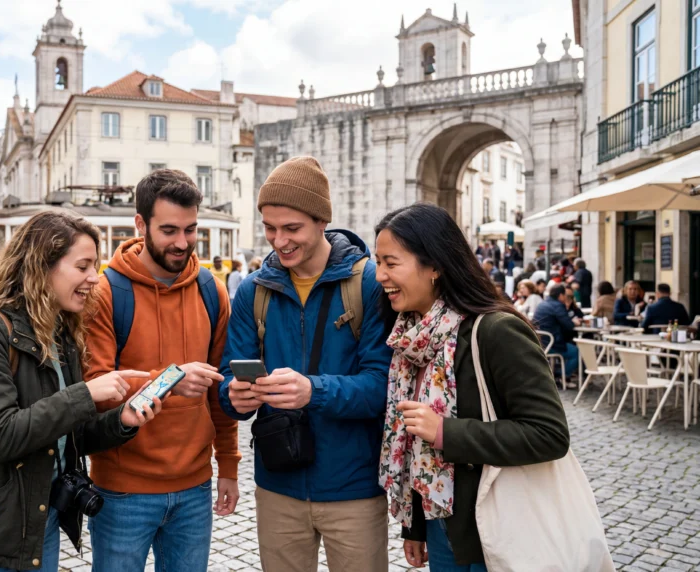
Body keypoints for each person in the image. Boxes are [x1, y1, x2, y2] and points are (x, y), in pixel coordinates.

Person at [0, 210, 163, 572]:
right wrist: (86, 394)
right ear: (42, 266)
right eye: (82, 266)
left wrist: (122, 420)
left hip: (39, 522)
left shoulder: (59, 332)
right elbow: (2, 435)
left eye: (94, 267)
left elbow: (68, 435)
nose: (93, 279)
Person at [372, 203, 570, 570]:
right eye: (378, 262)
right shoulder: (411, 338)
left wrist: (447, 431)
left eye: (391, 262)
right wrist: (414, 526)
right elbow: (415, 447)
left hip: (494, 530)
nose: (380, 275)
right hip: (442, 525)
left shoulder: (496, 330)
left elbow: (550, 434)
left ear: (435, 266)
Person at [221, 157, 393, 571]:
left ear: (321, 221)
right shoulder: (252, 291)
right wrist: (235, 395)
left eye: (292, 228)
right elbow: (228, 380)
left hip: (353, 486)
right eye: (269, 228)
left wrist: (312, 391)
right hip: (278, 483)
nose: (278, 241)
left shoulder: (369, 283)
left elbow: (383, 386)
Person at [83, 169, 240, 572]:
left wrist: (228, 465)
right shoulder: (106, 293)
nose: (183, 242)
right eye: (169, 230)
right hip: (122, 490)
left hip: (194, 488)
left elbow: (218, 391)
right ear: (141, 224)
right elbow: (94, 391)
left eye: (190, 230)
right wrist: (170, 381)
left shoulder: (211, 289)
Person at [533, 284, 581, 380]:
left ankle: (559, 374)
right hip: (552, 343)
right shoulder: (558, 305)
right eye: (565, 295)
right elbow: (569, 326)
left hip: (540, 341)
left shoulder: (542, 304)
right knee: (577, 352)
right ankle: (561, 375)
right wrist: (575, 323)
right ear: (560, 295)